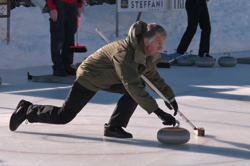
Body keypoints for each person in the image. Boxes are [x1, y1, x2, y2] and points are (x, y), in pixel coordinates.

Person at [9, 21, 179, 138]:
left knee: (137, 86)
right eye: (158, 42)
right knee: (63, 116)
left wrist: (169, 97)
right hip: (90, 76)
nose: (161, 47)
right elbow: (132, 85)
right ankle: (27, 109)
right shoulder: (125, 54)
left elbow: (153, 77)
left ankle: (114, 127)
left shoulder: (147, 54)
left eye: (162, 43)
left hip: (109, 77)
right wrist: (158, 112)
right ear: (145, 42)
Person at [48, 0, 83, 77]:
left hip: (73, 4)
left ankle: (67, 65)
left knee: (70, 37)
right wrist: (52, 8)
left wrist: (80, 5)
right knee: (58, 36)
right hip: (59, 4)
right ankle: (58, 67)